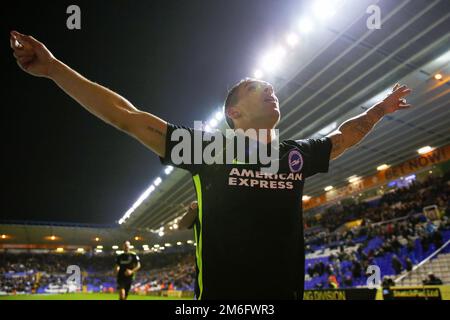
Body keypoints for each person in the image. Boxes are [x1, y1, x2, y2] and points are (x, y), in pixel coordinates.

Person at [10, 31, 412, 300]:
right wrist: (53, 68)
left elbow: (346, 136)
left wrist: (380, 109)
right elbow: (126, 117)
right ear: (234, 112)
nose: (271, 92)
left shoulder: (296, 155)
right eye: (258, 89)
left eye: (272, 89)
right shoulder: (207, 150)